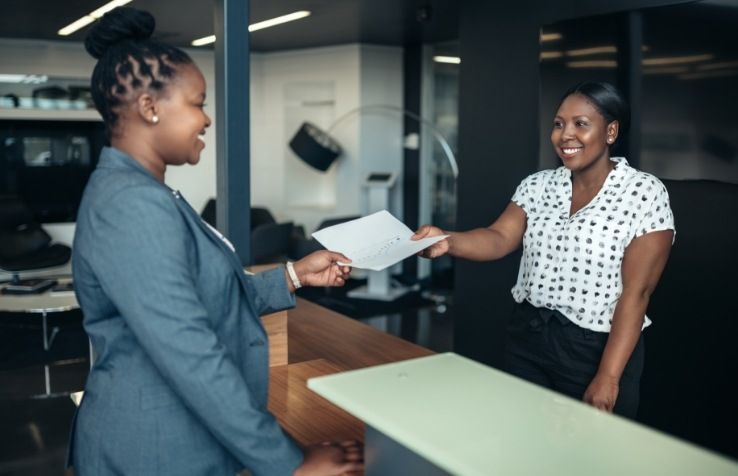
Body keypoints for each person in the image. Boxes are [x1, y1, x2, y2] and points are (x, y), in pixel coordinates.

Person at [69, 7, 362, 476]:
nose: (206, 120)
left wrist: (293, 275)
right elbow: (188, 350)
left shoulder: (147, 194)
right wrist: (288, 463)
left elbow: (199, 298)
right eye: (198, 103)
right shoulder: (129, 205)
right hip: (153, 451)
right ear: (149, 108)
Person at [413, 81, 675, 418]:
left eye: (581, 124)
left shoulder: (643, 193)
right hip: (529, 334)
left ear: (610, 131)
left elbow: (636, 294)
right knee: (525, 440)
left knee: (591, 458)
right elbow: (498, 237)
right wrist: (446, 240)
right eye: (558, 123)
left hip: (596, 348)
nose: (565, 134)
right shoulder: (537, 185)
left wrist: (608, 377)